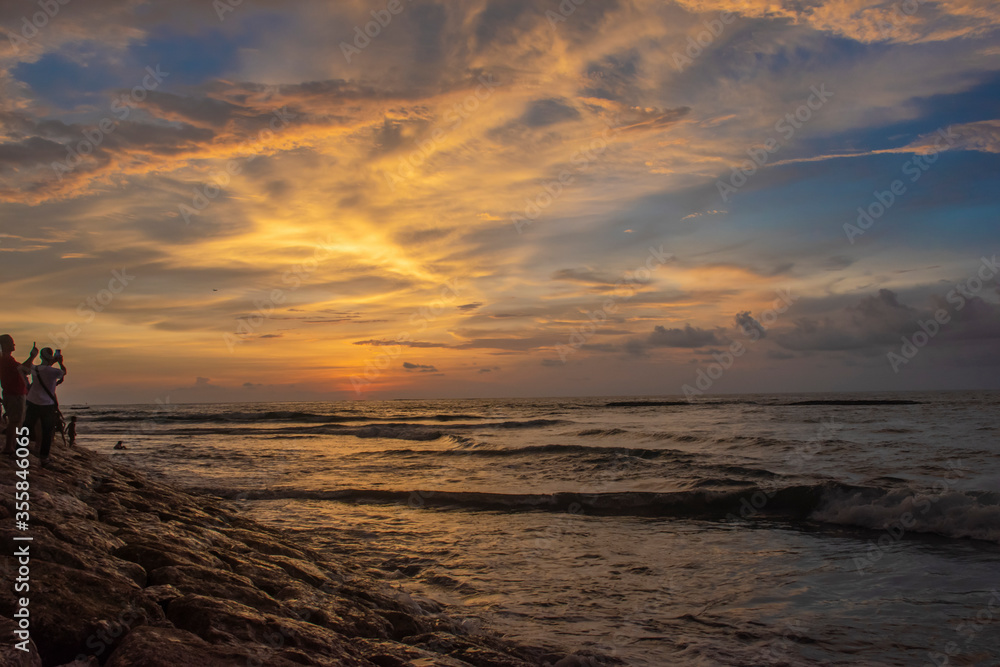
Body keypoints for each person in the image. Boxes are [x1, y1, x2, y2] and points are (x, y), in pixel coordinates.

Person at [24, 348, 66, 465]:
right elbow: (63, 372)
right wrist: (60, 362)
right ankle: (44, 457)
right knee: (47, 432)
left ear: (41, 357)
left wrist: (32, 356)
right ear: (51, 356)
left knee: (26, 427)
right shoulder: (53, 371)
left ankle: (19, 451)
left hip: (32, 402)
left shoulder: (35, 369)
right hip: (47, 404)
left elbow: (26, 368)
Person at [1, 335, 37, 456]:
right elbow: (24, 369)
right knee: (15, 421)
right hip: (14, 393)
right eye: (12, 342)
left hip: (15, 393)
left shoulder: (7, 359)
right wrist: (32, 356)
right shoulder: (6, 359)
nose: (14, 344)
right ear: (5, 345)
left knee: (17, 421)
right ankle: (9, 447)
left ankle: (12, 446)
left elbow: (24, 369)